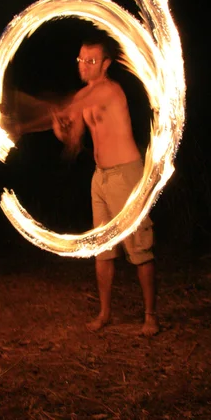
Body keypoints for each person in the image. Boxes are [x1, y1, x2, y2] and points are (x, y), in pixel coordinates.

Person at [51, 36, 159, 336]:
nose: (84, 66)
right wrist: (63, 132)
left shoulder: (110, 91)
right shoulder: (86, 96)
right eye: (80, 60)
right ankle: (104, 313)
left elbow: (67, 107)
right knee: (103, 250)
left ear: (106, 64)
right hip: (100, 177)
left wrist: (30, 117)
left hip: (126, 175)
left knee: (139, 249)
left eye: (91, 61)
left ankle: (150, 316)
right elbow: (74, 139)